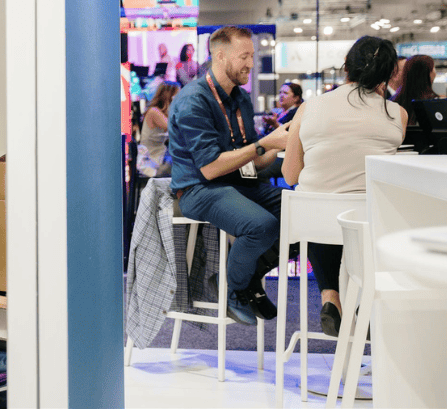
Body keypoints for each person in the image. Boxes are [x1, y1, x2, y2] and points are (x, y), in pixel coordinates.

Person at [282, 36, 407, 336]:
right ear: (388, 75)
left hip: (315, 225)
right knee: (361, 215)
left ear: (346, 67)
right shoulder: (396, 115)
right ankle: (365, 300)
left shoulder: (309, 108)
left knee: (323, 207)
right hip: (369, 225)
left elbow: (290, 175)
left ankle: (330, 298)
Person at [168, 26, 289, 324]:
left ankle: (242, 276)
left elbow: (251, 159)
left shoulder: (241, 99)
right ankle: (234, 289)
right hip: (199, 189)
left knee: (301, 214)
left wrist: (286, 141)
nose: (250, 63)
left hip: (237, 183)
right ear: (220, 56)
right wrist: (264, 144)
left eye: (252, 55)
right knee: (262, 225)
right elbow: (210, 167)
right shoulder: (193, 100)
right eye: (244, 56)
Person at [137, 83, 180, 177]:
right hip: (149, 160)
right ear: (169, 96)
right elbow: (175, 128)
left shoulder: (162, 113)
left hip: (159, 157)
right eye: (178, 94)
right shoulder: (154, 112)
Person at [392, 54, 440, 125]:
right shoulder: (435, 104)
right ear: (426, 74)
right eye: (433, 68)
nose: (435, 72)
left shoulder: (394, 103)